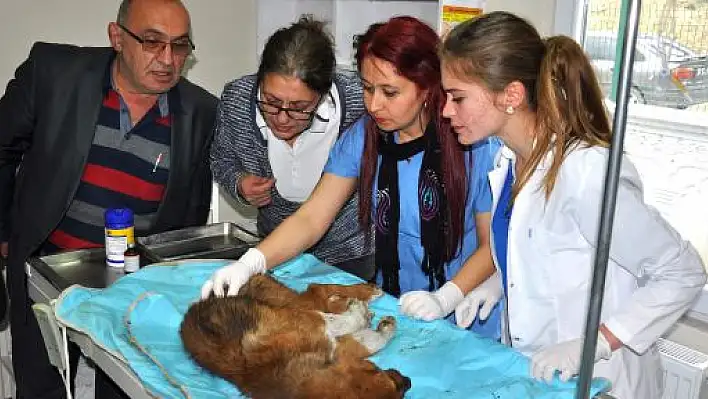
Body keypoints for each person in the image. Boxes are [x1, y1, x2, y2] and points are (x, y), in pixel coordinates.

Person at [440, 11, 707, 398]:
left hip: (604, 382)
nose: (447, 110)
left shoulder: (584, 173)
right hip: (540, 374)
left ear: (511, 95)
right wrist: (496, 287)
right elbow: (548, 251)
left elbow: (682, 272)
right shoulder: (509, 161)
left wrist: (595, 344)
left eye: (458, 97)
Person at [201, 16, 502, 339]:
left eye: (389, 92)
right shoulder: (364, 137)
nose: (373, 105)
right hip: (397, 304)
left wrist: (446, 298)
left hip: (468, 305)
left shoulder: (472, 142)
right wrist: (250, 263)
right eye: (367, 88)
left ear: (427, 87)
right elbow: (312, 218)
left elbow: (491, 245)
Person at [0, 0, 218, 397]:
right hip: (45, 268)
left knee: (123, 388)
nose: (168, 60)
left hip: (131, 287)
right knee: (40, 385)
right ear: (117, 37)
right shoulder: (54, 74)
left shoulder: (202, 112)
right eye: (152, 42)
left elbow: (191, 212)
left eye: (180, 45)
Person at [210, 16, 374, 280]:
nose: (282, 118)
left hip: (349, 254)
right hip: (275, 249)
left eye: (299, 108)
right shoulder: (237, 100)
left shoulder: (359, 103)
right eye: (271, 101)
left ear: (322, 95)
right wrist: (239, 184)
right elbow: (221, 159)